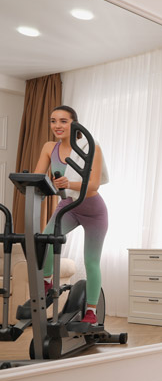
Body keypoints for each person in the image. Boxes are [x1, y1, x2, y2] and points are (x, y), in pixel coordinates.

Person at [34, 105, 109, 325]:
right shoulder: (49, 147)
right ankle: (48, 283)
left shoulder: (91, 147)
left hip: (93, 210)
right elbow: (39, 178)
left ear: (74, 123)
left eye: (63, 121)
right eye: (53, 120)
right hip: (68, 206)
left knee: (91, 261)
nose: (57, 126)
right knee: (46, 240)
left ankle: (91, 312)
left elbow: (93, 185)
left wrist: (69, 182)